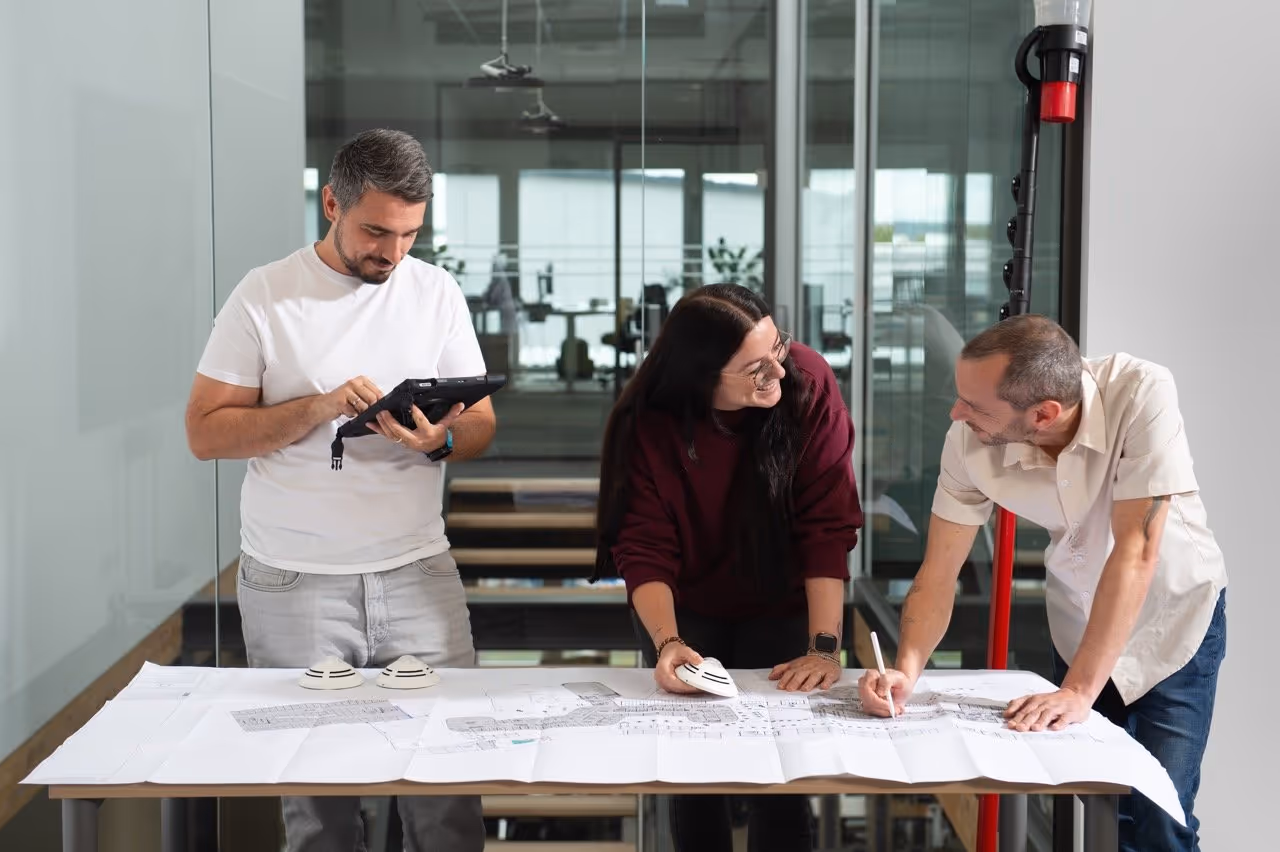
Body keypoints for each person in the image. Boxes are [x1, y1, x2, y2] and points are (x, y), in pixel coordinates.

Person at [185, 128, 494, 852]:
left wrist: (439, 440)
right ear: (331, 203)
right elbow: (205, 434)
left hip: (419, 572)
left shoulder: (435, 290)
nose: (392, 253)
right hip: (295, 582)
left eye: (410, 234)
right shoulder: (265, 295)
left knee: (447, 797)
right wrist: (319, 407)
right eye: (376, 232)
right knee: (320, 810)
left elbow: (479, 421)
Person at [857, 315, 1226, 851]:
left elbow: (1136, 549)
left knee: (1160, 819)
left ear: (1044, 414)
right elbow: (939, 572)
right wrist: (906, 670)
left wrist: (1078, 691)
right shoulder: (967, 439)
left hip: (1173, 626)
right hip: (1078, 622)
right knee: (1101, 809)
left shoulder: (1141, 391)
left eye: (975, 406)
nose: (956, 414)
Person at [594, 284, 864, 852]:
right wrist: (667, 642)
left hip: (784, 598)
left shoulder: (808, 380)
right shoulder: (652, 418)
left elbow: (827, 526)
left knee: (782, 777)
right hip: (684, 608)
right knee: (693, 782)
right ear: (702, 377)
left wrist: (823, 646)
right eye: (754, 369)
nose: (779, 374)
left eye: (778, 350)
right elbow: (642, 545)